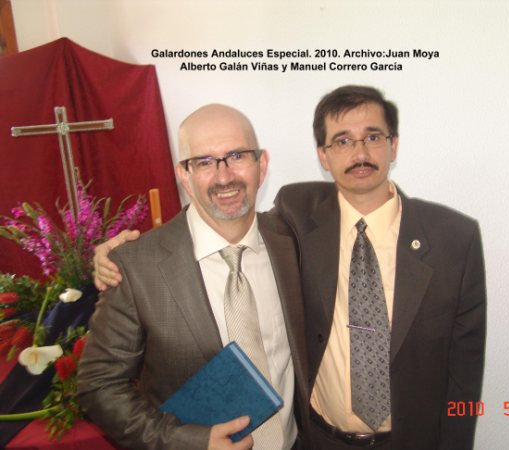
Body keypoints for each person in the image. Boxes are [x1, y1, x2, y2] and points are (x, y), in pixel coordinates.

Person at [94, 85, 487, 449]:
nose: (224, 175)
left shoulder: (454, 239)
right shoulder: (297, 221)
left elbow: (465, 376)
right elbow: (99, 384)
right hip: (320, 440)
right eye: (342, 141)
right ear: (323, 155)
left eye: (372, 137)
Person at [78, 104, 309, 450]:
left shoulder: (294, 241)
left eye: (237, 156)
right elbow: (98, 385)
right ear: (183, 175)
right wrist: (188, 442)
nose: (224, 176)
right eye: (204, 162)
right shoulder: (136, 267)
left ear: (261, 165)